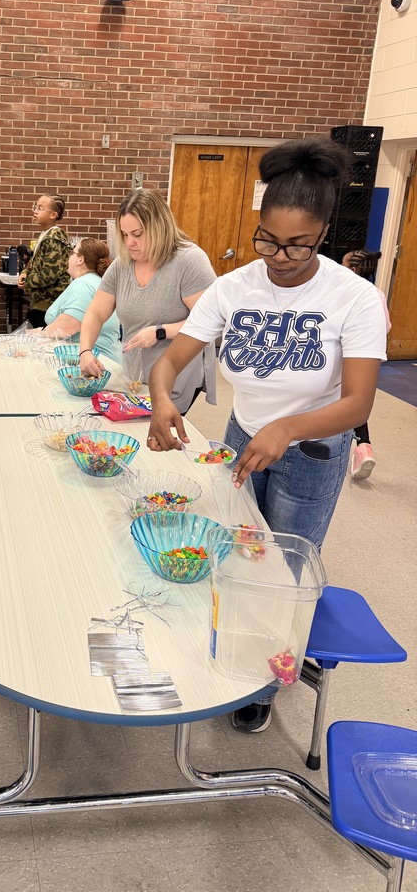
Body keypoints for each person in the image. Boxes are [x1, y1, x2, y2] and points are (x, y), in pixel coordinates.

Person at [146, 137, 388, 733]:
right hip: (244, 436)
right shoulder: (234, 288)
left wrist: (288, 426)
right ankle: (234, 647)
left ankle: (263, 680)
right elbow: (169, 362)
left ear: (324, 233)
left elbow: (357, 401)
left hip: (311, 448)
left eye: (297, 245)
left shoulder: (353, 297)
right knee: (236, 551)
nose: (279, 257)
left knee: (283, 567)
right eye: (268, 240)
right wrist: (158, 400)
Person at [79, 189, 216, 412]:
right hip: (136, 375)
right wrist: (85, 351)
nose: (129, 243)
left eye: (137, 234)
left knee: (159, 433)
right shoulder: (122, 265)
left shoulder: (189, 260)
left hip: (177, 375)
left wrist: (161, 331)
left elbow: (210, 321)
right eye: (124, 234)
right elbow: (95, 313)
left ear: (159, 227)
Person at [342, 248, 391, 479]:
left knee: (343, 403)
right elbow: (387, 326)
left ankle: (354, 447)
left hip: (347, 357)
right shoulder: (378, 293)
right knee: (357, 402)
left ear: (351, 270)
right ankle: (364, 447)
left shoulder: (347, 293)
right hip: (371, 359)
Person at [39, 237, 121, 360]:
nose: (69, 257)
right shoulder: (96, 282)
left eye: (73, 253)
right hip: (101, 359)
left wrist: (40, 334)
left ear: (80, 259)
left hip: (96, 361)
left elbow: (70, 324)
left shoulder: (83, 284)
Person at [17, 193, 70, 327]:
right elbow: (39, 266)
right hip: (40, 303)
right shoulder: (45, 234)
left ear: (53, 215)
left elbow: (49, 275)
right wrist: (26, 273)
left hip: (49, 305)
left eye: (41, 208)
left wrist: (28, 282)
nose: (35, 211)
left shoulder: (54, 236)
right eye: (35, 207)